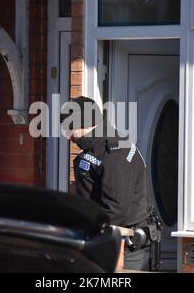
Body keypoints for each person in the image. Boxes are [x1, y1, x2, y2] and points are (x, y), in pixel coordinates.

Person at [61, 96, 162, 271]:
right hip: (107, 241)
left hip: (126, 248)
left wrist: (88, 234)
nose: (67, 136)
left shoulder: (114, 154)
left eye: (70, 129)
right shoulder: (96, 147)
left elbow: (115, 210)